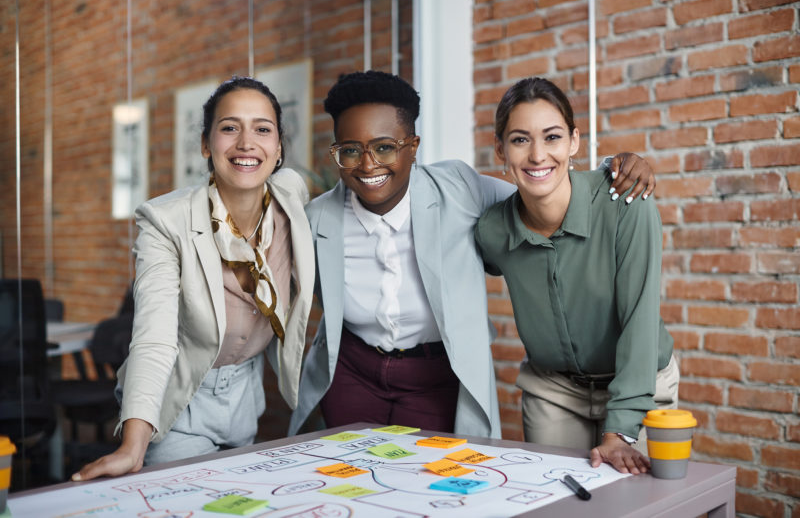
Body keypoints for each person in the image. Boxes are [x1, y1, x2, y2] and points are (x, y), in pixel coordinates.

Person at [289, 71, 657, 439]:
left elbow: (541, 192)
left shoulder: (459, 190)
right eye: (350, 150)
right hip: (354, 374)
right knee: (351, 478)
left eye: (384, 147)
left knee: (428, 479)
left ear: (413, 146)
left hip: (432, 376)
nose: (368, 165)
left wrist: (615, 168)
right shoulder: (317, 219)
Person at [73, 76, 315, 480]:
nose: (245, 142)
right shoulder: (165, 221)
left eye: (262, 129)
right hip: (180, 398)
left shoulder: (291, 197)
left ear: (278, 148)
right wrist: (133, 445)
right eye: (229, 128)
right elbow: (154, 336)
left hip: (246, 397)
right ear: (206, 145)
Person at [475, 77, 679, 474]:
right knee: (557, 502)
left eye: (552, 137)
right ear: (500, 150)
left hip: (640, 383)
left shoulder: (626, 204)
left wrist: (619, 432)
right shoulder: (492, 231)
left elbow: (640, 323)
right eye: (520, 140)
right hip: (553, 391)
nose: (537, 155)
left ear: (574, 142)